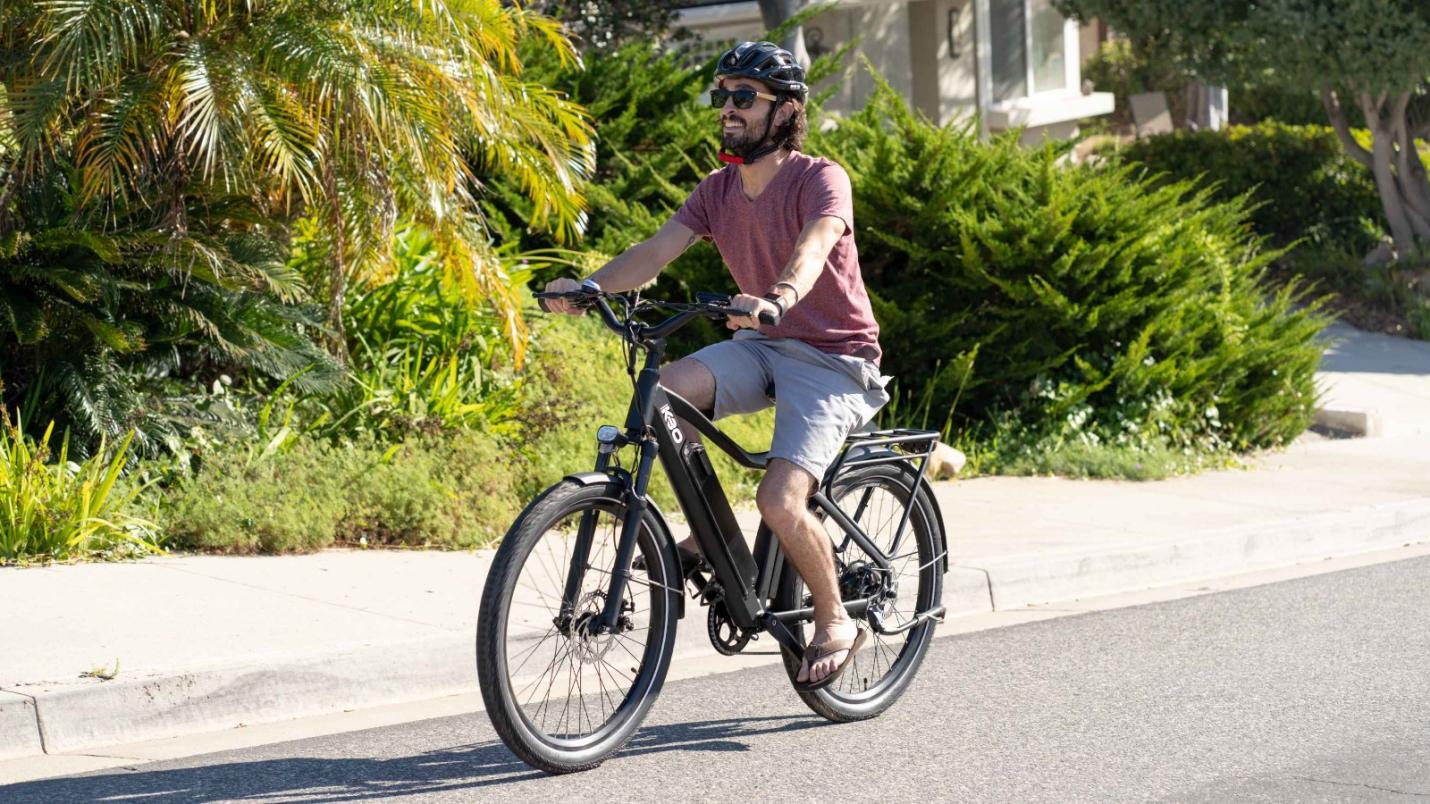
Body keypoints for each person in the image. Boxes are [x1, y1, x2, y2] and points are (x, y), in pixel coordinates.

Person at [544, 41, 888, 691]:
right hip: (762, 344)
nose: (726, 109)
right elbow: (655, 250)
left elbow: (816, 245)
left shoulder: (819, 177)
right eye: (721, 95)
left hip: (833, 356)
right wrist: (591, 288)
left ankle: (836, 617)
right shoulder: (719, 191)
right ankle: (711, 536)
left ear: (784, 111)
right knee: (669, 394)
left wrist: (779, 297)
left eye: (742, 97)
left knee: (782, 501)